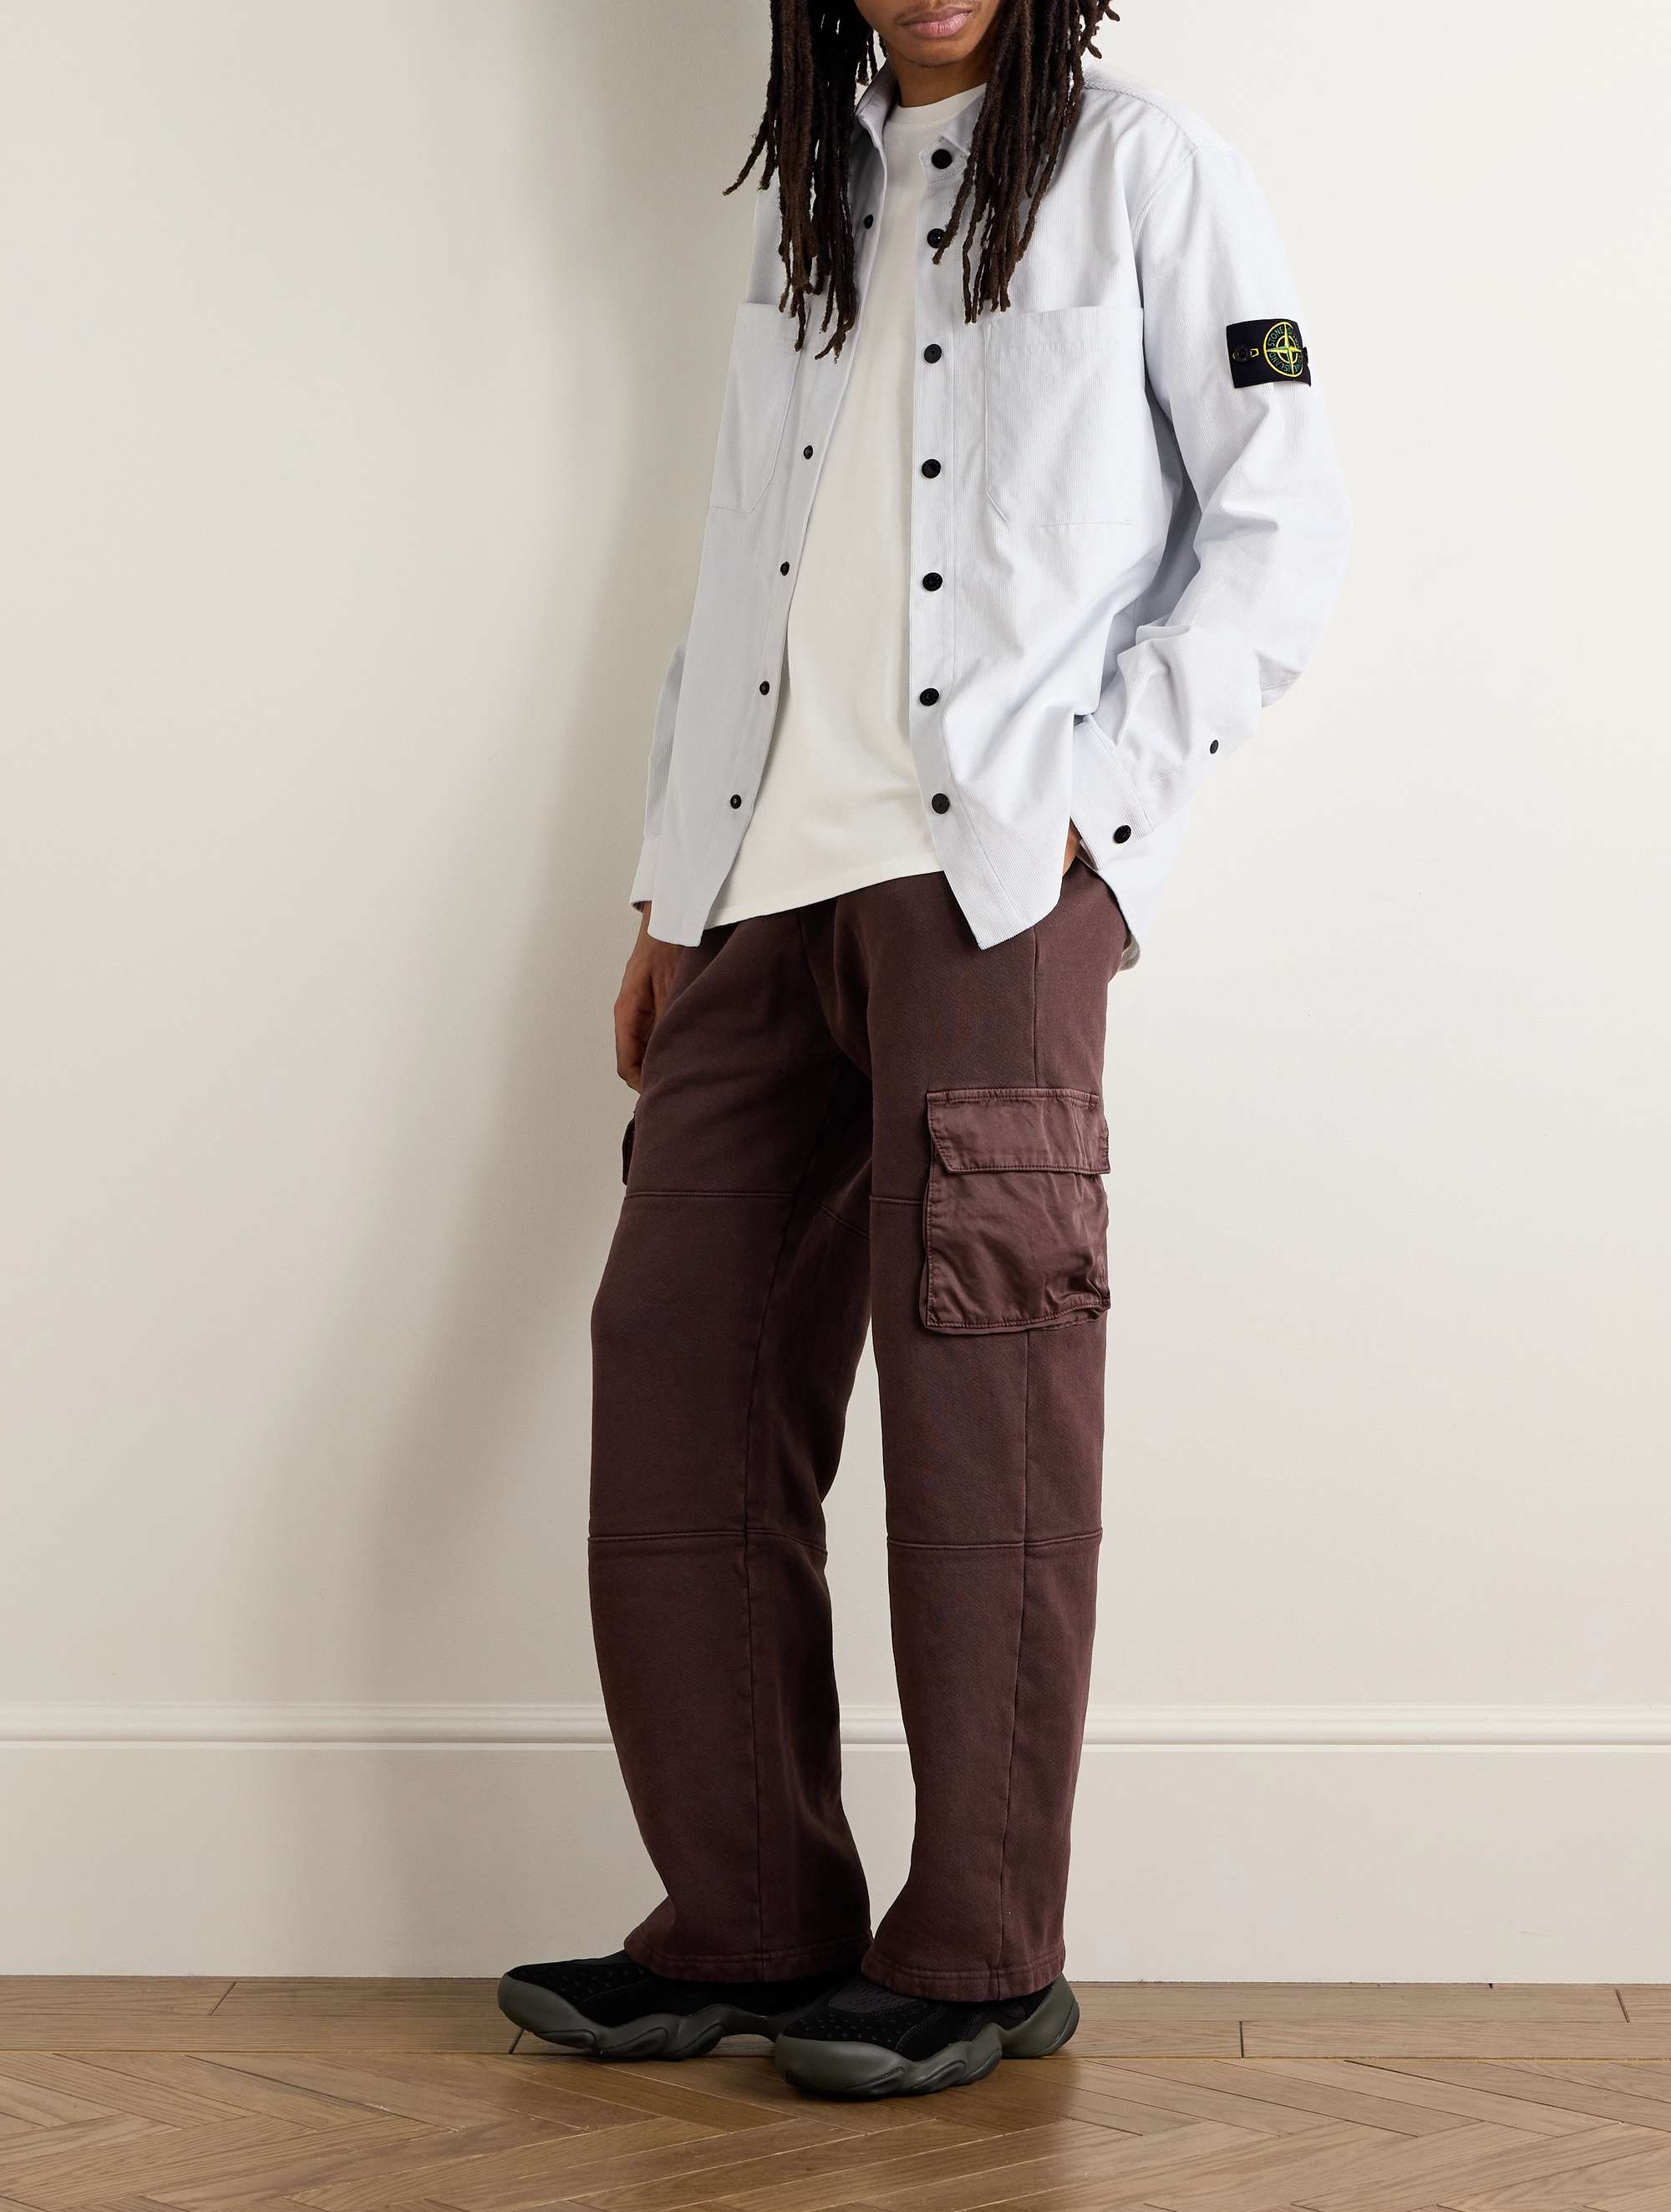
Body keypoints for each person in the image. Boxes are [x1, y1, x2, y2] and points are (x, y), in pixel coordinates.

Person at [500, 0, 1348, 2098]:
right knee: (678, 1376)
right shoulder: (810, 198)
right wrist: (669, 889)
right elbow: (744, 566)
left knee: (983, 1414)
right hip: (759, 883)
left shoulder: (1147, 173)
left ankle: (978, 1948)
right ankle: (749, 1916)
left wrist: (1096, 803)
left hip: (988, 888)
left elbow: (1281, 522)